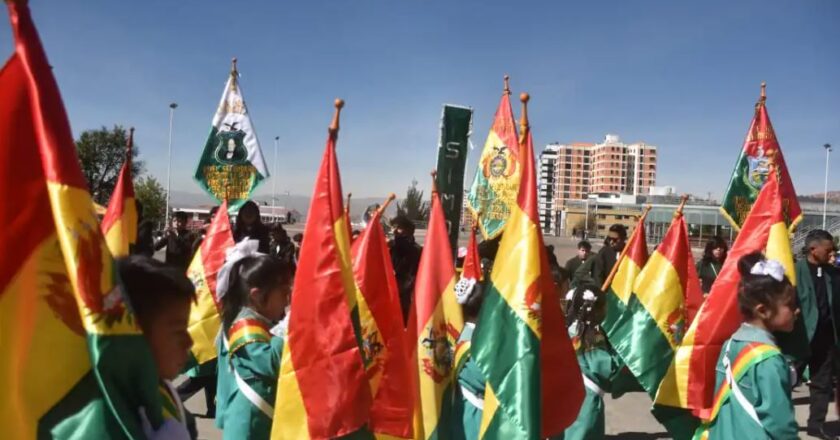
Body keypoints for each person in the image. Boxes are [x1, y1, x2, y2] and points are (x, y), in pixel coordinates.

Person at [695, 252, 799, 439]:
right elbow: (780, 422)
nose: (796, 310)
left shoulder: (731, 343)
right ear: (763, 310)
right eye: (790, 305)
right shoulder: (769, 359)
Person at [215, 248, 293, 439]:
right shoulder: (244, 327)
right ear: (257, 296)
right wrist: (292, 325)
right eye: (283, 293)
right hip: (247, 426)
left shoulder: (257, 321)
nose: (288, 300)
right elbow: (274, 362)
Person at [117, 255, 197, 440]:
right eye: (178, 330)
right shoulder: (105, 419)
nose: (189, 342)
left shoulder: (165, 395)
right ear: (135, 333)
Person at [554, 284, 631, 440]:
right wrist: (622, 355)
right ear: (595, 310)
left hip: (563, 395)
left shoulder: (564, 330)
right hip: (585, 399)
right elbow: (606, 368)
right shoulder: (591, 337)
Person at [788, 230, 839, 439]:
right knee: (787, 381)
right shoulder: (793, 271)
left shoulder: (833, 274)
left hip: (826, 339)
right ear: (813, 249)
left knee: (823, 384)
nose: (832, 254)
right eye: (828, 250)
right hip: (800, 338)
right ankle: (782, 423)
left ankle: (815, 425)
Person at [389, 215, 422, 324]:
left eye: (398, 227)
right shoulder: (392, 247)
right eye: (394, 227)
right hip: (392, 290)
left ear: (408, 231)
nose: (395, 231)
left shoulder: (416, 250)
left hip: (405, 291)